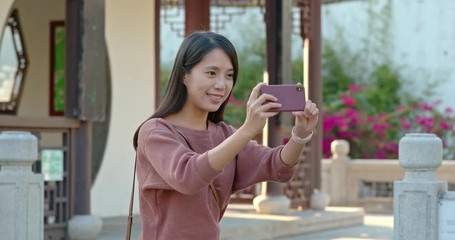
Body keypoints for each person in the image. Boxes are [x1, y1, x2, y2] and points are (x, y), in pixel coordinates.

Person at [133, 31, 319, 240]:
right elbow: (188, 177)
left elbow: (279, 167)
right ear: (184, 75)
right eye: (211, 73)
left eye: (229, 75)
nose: (221, 85)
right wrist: (248, 129)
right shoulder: (155, 131)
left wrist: (300, 133)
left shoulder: (223, 134)